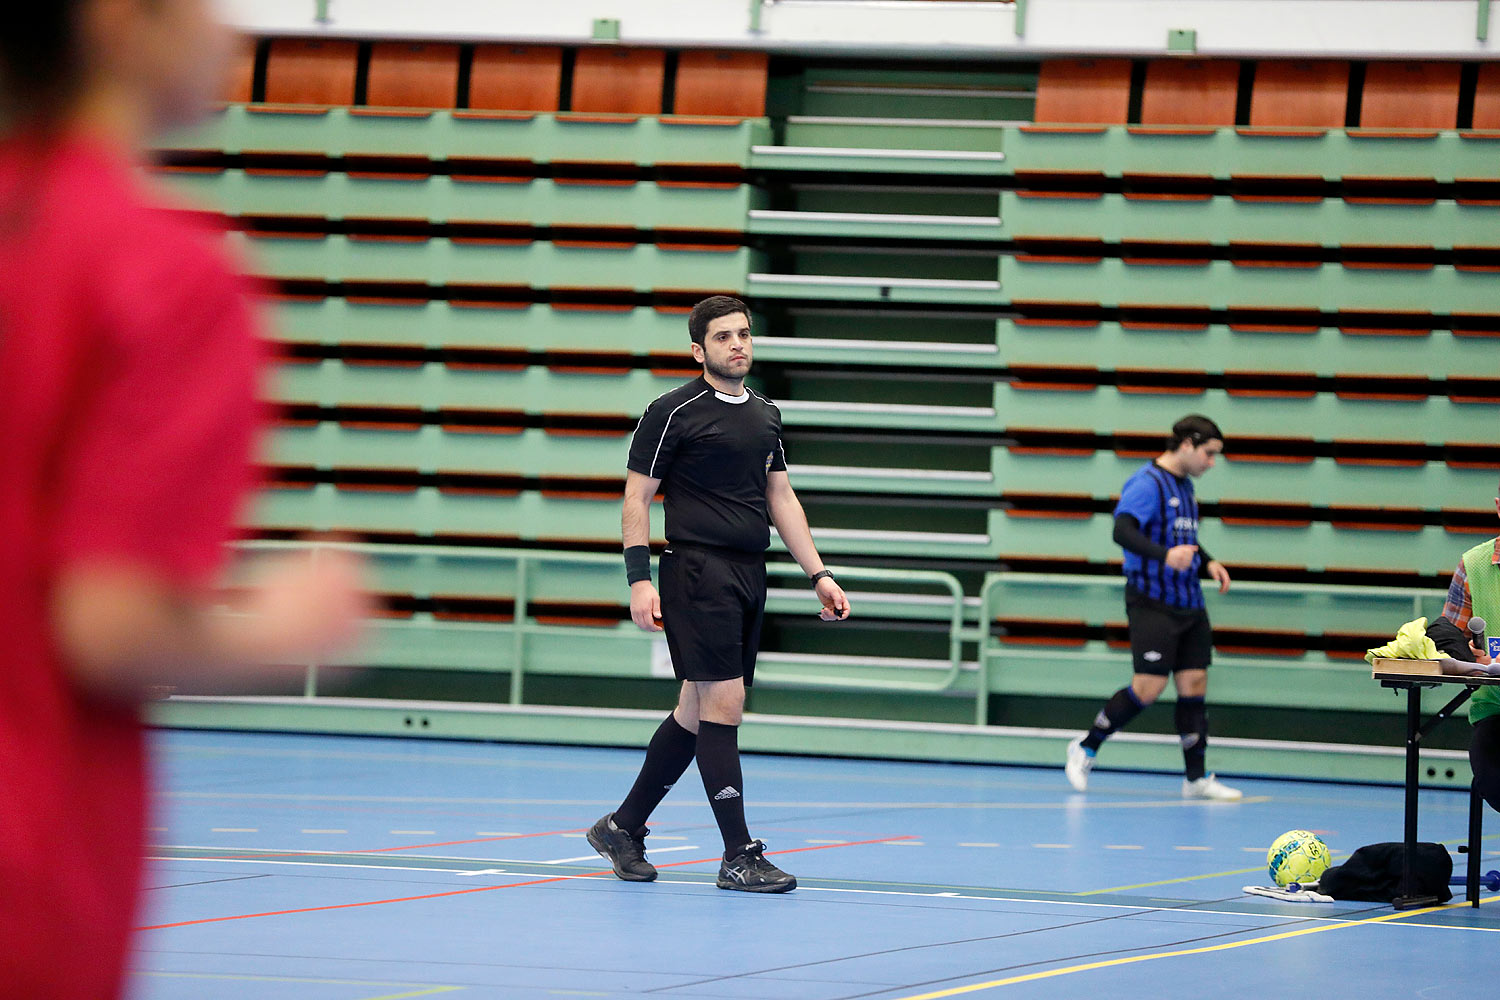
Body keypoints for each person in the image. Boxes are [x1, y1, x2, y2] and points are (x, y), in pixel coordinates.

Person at [0, 3, 368, 998]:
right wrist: (277, 627)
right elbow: (107, 625)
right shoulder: (158, 274)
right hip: (29, 873)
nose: (229, 30)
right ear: (119, 21)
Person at [587, 295, 850, 893]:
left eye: (745, 334)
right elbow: (636, 499)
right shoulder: (671, 411)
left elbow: (780, 498)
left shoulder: (765, 413)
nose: (738, 344)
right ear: (698, 349)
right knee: (723, 706)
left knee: (694, 711)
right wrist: (638, 579)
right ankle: (738, 855)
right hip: (695, 572)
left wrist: (819, 573)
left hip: (747, 573)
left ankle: (621, 827)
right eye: (725, 336)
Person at [1064, 414, 1242, 800]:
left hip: (1189, 602)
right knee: (1149, 686)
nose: (1212, 463)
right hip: (1152, 601)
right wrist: (1164, 557)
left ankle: (1195, 778)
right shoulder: (1147, 484)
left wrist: (1207, 561)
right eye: (1209, 454)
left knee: (1194, 683)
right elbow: (1122, 530)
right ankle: (1086, 746)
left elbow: (1184, 539)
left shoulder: (1185, 486)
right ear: (1188, 444)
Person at [1437, 478, 1500, 813]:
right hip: (1495, 712)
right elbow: (1447, 637)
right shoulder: (1473, 565)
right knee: (1495, 779)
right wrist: (1468, 657)